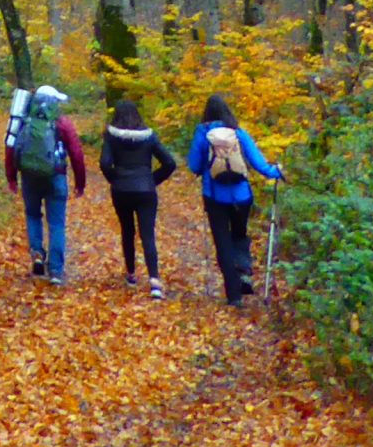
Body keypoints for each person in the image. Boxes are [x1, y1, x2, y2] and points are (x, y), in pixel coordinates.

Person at [187, 92, 284, 306]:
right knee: (239, 236)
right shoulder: (238, 133)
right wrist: (276, 172)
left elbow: (194, 165)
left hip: (214, 196)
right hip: (242, 196)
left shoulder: (202, 133)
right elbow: (259, 163)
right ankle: (244, 274)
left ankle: (234, 295)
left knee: (223, 244)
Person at [4, 83, 86, 285]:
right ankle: (56, 271)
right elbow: (76, 153)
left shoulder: (23, 121)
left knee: (33, 215)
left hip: (29, 177)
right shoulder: (62, 123)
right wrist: (80, 183)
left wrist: (12, 177)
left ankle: (37, 253)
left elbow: (10, 148)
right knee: (56, 223)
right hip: (56, 176)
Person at [97, 98, 179, 297]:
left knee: (127, 230)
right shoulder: (149, 136)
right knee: (147, 233)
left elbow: (105, 163)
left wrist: (115, 179)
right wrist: (152, 180)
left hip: (121, 190)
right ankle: (154, 280)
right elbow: (169, 162)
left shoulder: (111, 136)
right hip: (146, 190)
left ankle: (131, 274)